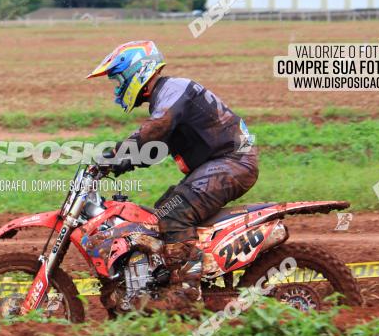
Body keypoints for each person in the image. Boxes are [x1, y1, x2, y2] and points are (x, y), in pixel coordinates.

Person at [87, 40, 259, 259]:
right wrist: (121, 163)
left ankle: (185, 287)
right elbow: (155, 148)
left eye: (119, 79)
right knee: (162, 210)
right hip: (225, 162)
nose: (118, 87)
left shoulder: (174, 89)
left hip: (234, 161)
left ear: (137, 71)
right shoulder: (165, 96)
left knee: (173, 214)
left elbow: (156, 128)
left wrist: (114, 154)